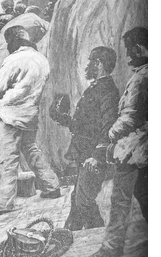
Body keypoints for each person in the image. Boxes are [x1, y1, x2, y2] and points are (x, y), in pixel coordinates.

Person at [0, 27, 61, 214]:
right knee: (30, 148)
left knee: (8, 159)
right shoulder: (41, 58)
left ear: (12, 41)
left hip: (11, 115)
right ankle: (51, 186)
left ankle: (3, 204)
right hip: (31, 112)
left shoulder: (14, 59)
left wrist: (1, 102)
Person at [49, 47, 120, 231]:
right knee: (77, 198)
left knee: (83, 201)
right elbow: (86, 126)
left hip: (92, 156)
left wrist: (97, 156)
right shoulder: (95, 88)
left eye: (91, 61)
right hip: (83, 153)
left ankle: (95, 234)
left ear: (99, 63)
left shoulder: (107, 91)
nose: (88, 65)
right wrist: (64, 119)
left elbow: (108, 126)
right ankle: (70, 233)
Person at [91, 28, 148, 257]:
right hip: (142, 148)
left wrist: (108, 136)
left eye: (128, 50)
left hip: (136, 148)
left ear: (138, 49)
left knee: (121, 200)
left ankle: (111, 249)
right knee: (141, 196)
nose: (126, 57)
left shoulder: (142, 77)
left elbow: (130, 117)